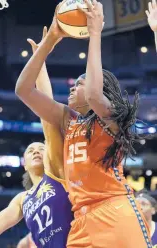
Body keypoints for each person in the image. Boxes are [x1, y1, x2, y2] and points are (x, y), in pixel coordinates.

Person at [15, 0, 153, 247]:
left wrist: (95, 33)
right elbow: (23, 90)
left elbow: (92, 95)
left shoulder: (112, 119)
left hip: (114, 212)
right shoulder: (68, 119)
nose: (73, 87)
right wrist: (50, 41)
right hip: (80, 221)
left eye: (79, 83)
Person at [0, 27, 73, 248]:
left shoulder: (58, 173)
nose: (36, 151)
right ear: (24, 163)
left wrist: (40, 61)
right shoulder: (23, 200)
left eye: (40, 147)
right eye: (30, 150)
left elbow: (47, 114)